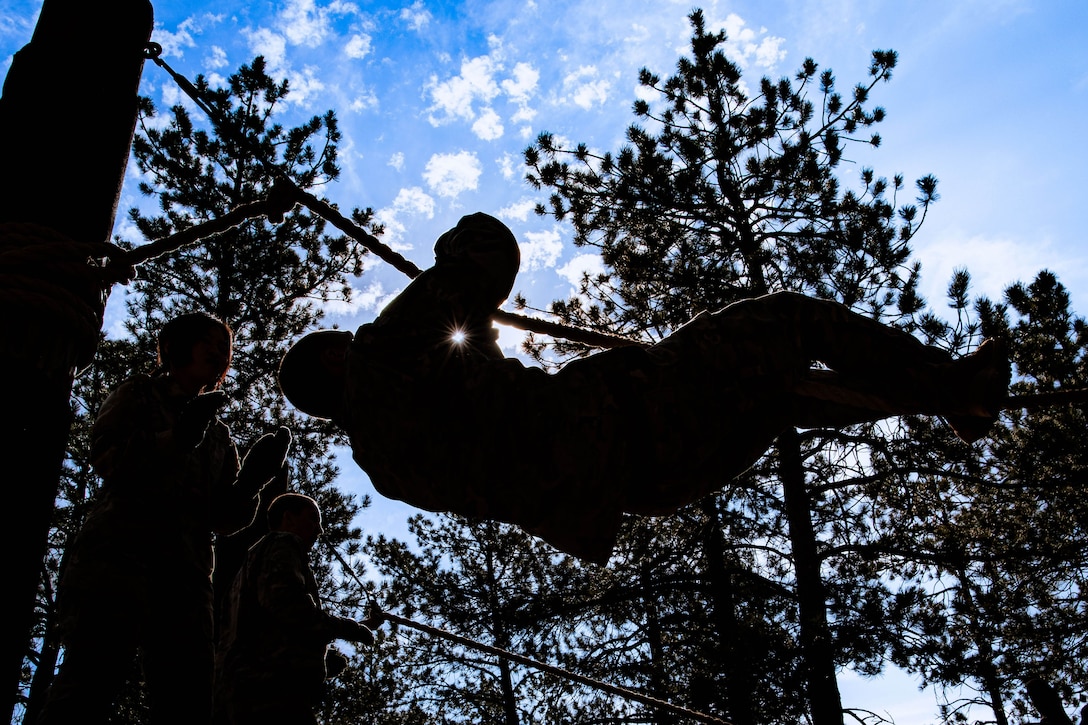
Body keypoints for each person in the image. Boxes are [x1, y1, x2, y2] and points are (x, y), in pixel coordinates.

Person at [277, 213, 1010, 564]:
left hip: (647, 481)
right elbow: (488, 252)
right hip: (629, 415)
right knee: (787, 321)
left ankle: (958, 399)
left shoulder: (385, 464)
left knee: (780, 395)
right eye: (344, 341)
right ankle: (952, 385)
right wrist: (449, 254)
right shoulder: (381, 355)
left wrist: (480, 343)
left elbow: (483, 417)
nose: (356, 338)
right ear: (338, 362)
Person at [38, 312, 292, 725]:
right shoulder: (140, 393)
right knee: (86, 688)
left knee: (187, 703)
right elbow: (106, 455)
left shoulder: (218, 435)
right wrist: (175, 439)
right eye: (208, 342)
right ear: (176, 346)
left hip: (186, 580)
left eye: (225, 348)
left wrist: (251, 482)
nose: (219, 352)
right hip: (118, 560)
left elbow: (221, 520)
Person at [215, 493, 380, 725]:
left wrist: (324, 658)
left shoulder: (248, 568)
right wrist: (350, 629)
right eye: (313, 519)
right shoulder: (283, 543)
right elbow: (290, 608)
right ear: (288, 518)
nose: (319, 529)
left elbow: (273, 627)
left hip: (237, 691)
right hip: (269, 692)